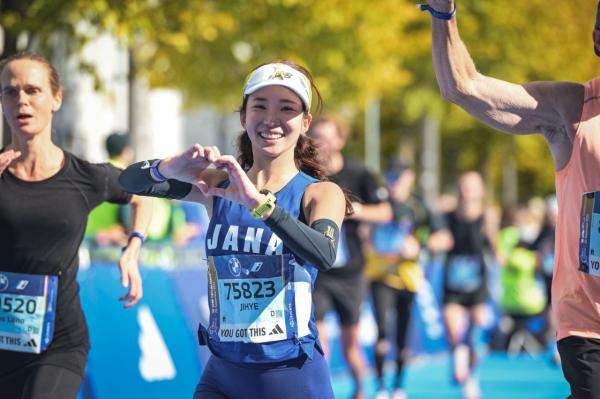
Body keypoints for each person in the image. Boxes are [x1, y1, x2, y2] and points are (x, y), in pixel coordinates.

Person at [119, 61, 348, 399]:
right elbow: (129, 180)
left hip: (290, 376)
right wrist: (170, 166)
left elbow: (324, 254)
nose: (272, 118)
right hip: (223, 374)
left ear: (305, 123)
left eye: (286, 108)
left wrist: (260, 204)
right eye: (260, 106)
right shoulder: (217, 185)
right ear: (243, 116)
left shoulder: (320, 193)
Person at [422, 0, 600, 396]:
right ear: (597, 39)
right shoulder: (573, 109)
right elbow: (463, 86)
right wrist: (442, 15)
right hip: (590, 324)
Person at [0, 52, 152, 399]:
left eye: (32, 90)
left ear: (56, 98)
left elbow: (144, 194)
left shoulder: (86, 176)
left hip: (59, 343)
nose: (21, 99)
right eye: (10, 92)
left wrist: (133, 248)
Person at [307, 114, 392, 399]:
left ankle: (359, 389)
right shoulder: (307, 174)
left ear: (340, 141)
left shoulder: (360, 174)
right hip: (318, 272)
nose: (321, 143)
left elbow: (385, 212)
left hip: (351, 273)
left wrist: (352, 210)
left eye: (328, 137)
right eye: (316, 137)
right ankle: (322, 391)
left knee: (350, 345)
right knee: (319, 342)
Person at [366, 160, 452, 399]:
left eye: (398, 180)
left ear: (410, 178)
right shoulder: (377, 200)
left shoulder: (419, 205)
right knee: (382, 334)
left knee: (402, 337)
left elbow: (444, 238)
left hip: (408, 278)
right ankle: (381, 386)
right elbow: (360, 223)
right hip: (380, 275)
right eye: (390, 179)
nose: (393, 186)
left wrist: (419, 246)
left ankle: (399, 387)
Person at [441, 171, 493, 398]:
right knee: (453, 328)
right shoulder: (448, 215)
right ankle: (458, 356)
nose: (468, 191)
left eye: (473, 186)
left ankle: (471, 375)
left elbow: (495, 248)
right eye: (464, 186)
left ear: (481, 191)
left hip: (477, 281)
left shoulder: (488, 215)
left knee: (476, 331)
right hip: (453, 281)